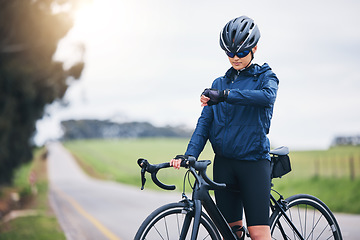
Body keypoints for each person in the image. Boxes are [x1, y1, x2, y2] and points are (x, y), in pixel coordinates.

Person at [170, 15, 279, 240]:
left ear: (254, 48)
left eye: (240, 53)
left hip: (253, 164)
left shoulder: (265, 77)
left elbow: (267, 98)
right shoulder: (218, 84)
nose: (235, 58)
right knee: (231, 234)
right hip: (225, 165)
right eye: (230, 53)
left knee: (259, 234)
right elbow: (204, 124)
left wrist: (225, 96)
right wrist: (190, 154)